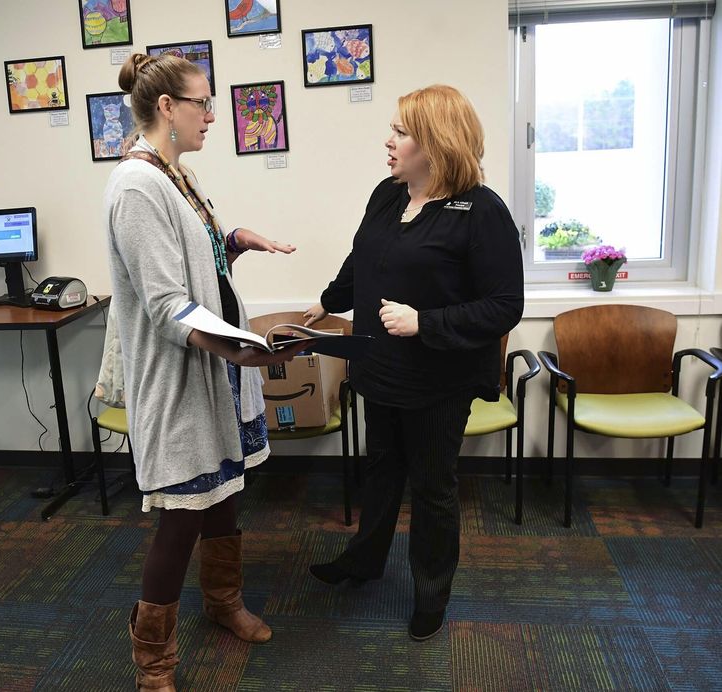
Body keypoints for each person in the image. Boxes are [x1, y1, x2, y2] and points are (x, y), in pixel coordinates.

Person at [105, 53, 305, 691]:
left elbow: (202, 262)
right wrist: (244, 349)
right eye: (203, 103)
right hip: (181, 377)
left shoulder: (176, 176)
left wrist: (236, 240)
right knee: (181, 514)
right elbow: (167, 303)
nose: (213, 116)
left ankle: (223, 603)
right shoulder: (137, 187)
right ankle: (152, 661)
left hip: (216, 373)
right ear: (167, 107)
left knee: (227, 492)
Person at [304, 84, 524, 641]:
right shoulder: (388, 193)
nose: (389, 140)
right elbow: (363, 258)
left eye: (400, 131)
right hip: (380, 368)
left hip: (438, 379)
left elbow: (504, 305)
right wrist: (327, 302)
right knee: (380, 471)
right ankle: (365, 560)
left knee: (431, 486)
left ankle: (431, 593)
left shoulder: (481, 210)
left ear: (434, 142)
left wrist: (426, 322)